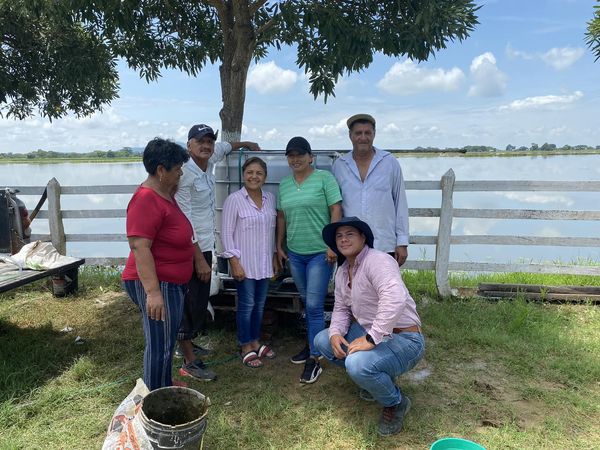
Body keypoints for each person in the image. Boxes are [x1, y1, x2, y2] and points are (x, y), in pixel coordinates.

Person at [314, 216, 425, 436]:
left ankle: (396, 402)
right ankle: (376, 380)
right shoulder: (343, 271)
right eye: (339, 236)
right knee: (323, 341)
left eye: (350, 234)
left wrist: (371, 338)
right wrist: (335, 333)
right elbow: (341, 308)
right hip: (371, 331)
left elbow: (394, 298)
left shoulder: (378, 260)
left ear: (363, 238)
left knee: (357, 364)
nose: (343, 239)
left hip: (406, 338)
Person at [175, 123, 260, 381]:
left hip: (206, 243)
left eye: (209, 141)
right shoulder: (184, 174)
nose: (206, 145)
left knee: (199, 300)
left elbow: (226, 147)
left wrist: (246, 144)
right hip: (189, 247)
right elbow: (184, 220)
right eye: (200, 141)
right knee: (189, 302)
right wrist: (198, 259)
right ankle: (189, 361)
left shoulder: (210, 159)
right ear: (189, 145)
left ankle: (186, 344)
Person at [121, 138, 194, 390]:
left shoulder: (165, 194)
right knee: (159, 343)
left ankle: (162, 384)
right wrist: (152, 292)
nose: (180, 173)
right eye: (177, 169)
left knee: (166, 339)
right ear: (161, 170)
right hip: (157, 282)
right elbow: (140, 247)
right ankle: (153, 396)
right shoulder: (145, 199)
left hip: (171, 282)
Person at [276, 136, 342, 384]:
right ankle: (313, 344)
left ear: (310, 157)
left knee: (314, 306)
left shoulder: (325, 178)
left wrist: (332, 244)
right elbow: (281, 217)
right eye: (291, 155)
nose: (296, 159)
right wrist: (278, 246)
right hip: (295, 253)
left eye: (300, 155)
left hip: (319, 254)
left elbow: (336, 209)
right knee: (307, 302)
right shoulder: (284, 185)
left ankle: (315, 358)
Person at [221, 156, 279, 368]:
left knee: (260, 304)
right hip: (244, 264)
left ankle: (255, 340)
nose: (254, 177)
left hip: (263, 263)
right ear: (243, 174)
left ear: (265, 177)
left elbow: (272, 231)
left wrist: (274, 256)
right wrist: (234, 262)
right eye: (250, 172)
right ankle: (245, 345)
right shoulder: (234, 200)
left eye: (259, 173)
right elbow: (226, 233)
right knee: (247, 305)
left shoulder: (270, 198)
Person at [332, 113, 409, 266]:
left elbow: (400, 203)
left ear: (374, 134)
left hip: (384, 243)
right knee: (351, 281)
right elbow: (335, 206)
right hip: (350, 245)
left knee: (385, 282)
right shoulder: (339, 166)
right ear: (350, 135)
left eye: (367, 133)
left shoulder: (389, 162)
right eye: (358, 133)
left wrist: (402, 242)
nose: (363, 137)